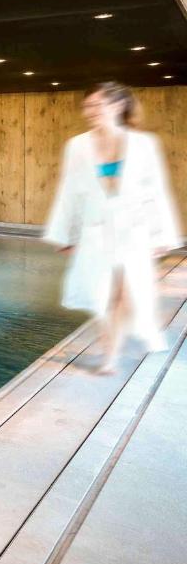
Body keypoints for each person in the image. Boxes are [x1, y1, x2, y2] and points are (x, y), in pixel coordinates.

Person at [44, 82, 182, 374]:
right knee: (100, 294)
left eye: (97, 105)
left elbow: (157, 190)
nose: (90, 111)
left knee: (124, 293)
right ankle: (110, 347)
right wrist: (64, 234)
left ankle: (112, 355)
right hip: (95, 230)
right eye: (87, 106)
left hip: (134, 229)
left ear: (118, 105)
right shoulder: (78, 145)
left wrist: (163, 234)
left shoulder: (143, 144)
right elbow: (68, 191)